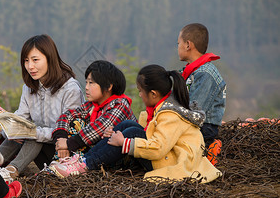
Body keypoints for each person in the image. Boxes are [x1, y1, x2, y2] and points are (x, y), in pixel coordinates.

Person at [50, 65, 221, 184]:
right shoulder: (159, 109)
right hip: (165, 156)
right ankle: (82, 161)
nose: (138, 95)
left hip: (173, 162)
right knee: (129, 125)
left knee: (130, 133)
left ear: (153, 94)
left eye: (140, 91)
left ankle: (85, 165)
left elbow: (158, 148)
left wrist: (124, 143)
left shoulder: (170, 114)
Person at [0, 34, 84, 181]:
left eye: (35, 60)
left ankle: (11, 171)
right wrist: (9, 129)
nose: (30, 66)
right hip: (40, 152)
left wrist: (32, 132)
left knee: (34, 134)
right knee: (20, 133)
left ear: (50, 58)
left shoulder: (70, 89)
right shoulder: (29, 87)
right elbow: (20, 117)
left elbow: (70, 132)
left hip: (64, 152)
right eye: (26, 61)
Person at [51, 60, 137, 160]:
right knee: (76, 121)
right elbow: (67, 115)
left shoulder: (120, 104)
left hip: (119, 158)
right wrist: (61, 140)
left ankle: (73, 164)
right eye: (86, 82)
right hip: (96, 153)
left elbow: (99, 128)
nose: (86, 87)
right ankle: (65, 162)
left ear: (108, 86)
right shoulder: (91, 105)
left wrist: (68, 143)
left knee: (80, 125)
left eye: (91, 83)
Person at [177, 23, 226, 162]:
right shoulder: (192, 71)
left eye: (178, 43)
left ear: (187, 45)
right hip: (194, 122)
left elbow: (195, 110)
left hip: (205, 127)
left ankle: (210, 148)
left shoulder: (205, 74)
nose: (178, 47)